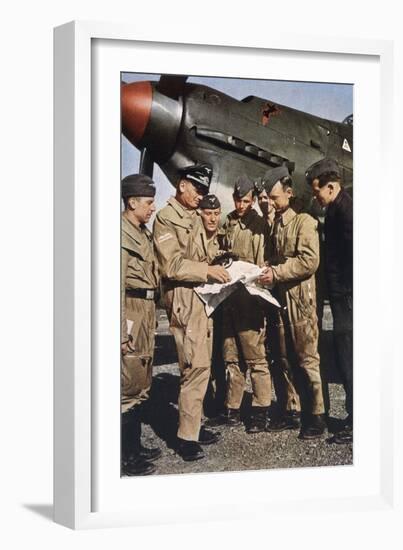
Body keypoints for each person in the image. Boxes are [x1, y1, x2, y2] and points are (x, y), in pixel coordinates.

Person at [153, 164, 231, 461]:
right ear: (182, 185)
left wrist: (222, 262)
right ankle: (186, 437)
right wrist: (207, 270)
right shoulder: (166, 218)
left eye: (204, 191)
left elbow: (201, 253)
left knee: (201, 364)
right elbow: (171, 266)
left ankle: (193, 427)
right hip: (184, 298)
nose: (201, 196)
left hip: (201, 296)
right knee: (194, 366)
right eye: (197, 189)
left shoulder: (191, 216)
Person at [259, 166, 326, 440]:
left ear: (289, 192)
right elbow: (279, 259)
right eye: (269, 199)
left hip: (300, 300)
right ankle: (292, 410)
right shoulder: (276, 224)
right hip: (281, 299)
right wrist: (266, 268)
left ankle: (317, 415)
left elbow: (309, 261)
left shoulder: (305, 222)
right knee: (284, 356)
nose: (271, 204)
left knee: (306, 358)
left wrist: (277, 271)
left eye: (275, 198)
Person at [217, 175, 272, 433]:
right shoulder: (228, 222)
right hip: (229, 298)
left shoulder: (259, 226)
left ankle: (261, 410)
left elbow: (262, 264)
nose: (241, 205)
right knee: (231, 358)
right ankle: (233, 408)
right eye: (238, 200)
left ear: (252, 200)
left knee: (255, 358)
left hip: (250, 300)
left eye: (246, 201)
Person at [305, 158, 353, 443]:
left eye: (317, 191)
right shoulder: (337, 209)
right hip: (342, 297)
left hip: (347, 298)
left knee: (349, 360)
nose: (315, 197)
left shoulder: (346, 212)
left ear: (331, 186)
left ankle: (357, 422)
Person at [121, 174, 162, 476]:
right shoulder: (120, 236)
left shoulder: (142, 233)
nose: (153, 207)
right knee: (127, 385)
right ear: (132, 202)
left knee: (143, 380)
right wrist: (120, 331)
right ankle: (125, 456)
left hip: (147, 309)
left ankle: (134, 448)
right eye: (148, 202)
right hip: (131, 311)